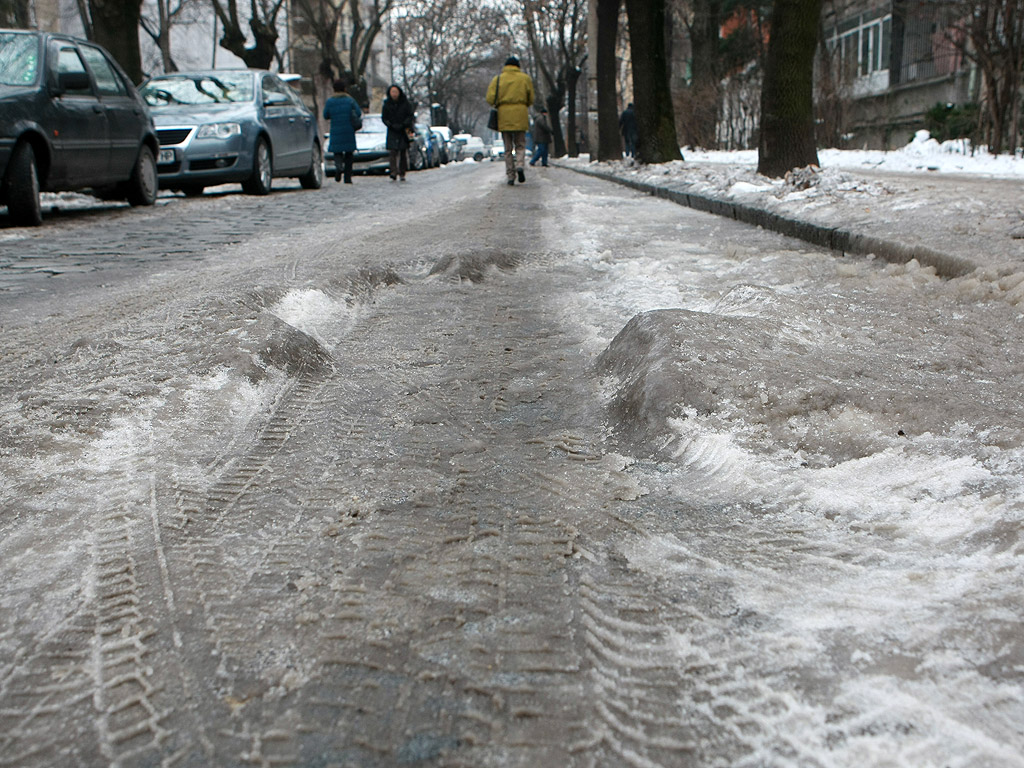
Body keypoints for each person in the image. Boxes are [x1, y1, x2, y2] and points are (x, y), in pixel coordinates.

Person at [486, 56, 534, 185]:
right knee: (520, 145)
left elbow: (490, 98)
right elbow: (531, 99)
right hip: (520, 115)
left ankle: (510, 176)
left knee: (507, 148)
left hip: (504, 116)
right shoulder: (525, 79)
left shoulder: (498, 79)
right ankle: (519, 165)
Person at [322, 78, 362, 183]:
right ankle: (347, 177)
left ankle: (338, 167)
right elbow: (358, 113)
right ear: (344, 88)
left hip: (335, 130)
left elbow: (325, 115)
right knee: (349, 154)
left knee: (337, 152)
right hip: (348, 130)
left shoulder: (330, 101)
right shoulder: (350, 100)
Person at [381, 84, 414, 181]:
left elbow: (410, 115)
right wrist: (390, 125)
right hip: (392, 130)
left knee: (403, 152)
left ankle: (402, 172)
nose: (394, 94)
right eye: (392, 92)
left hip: (403, 130)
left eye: (395, 92)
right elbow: (384, 118)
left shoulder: (405, 103)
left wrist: (404, 124)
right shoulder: (386, 104)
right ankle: (393, 171)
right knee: (392, 151)